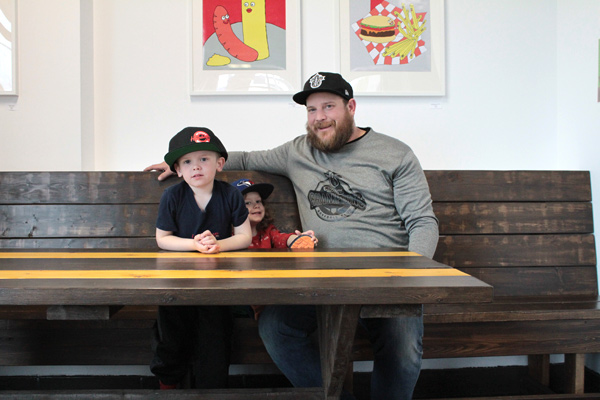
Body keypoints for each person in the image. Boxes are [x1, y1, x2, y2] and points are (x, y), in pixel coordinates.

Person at [145, 72, 439, 400]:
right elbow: (242, 158)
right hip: (322, 279)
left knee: (402, 347)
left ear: (351, 106)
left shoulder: (395, 153)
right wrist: (182, 163)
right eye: (311, 110)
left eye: (329, 106)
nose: (320, 117)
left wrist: (412, 277)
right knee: (275, 328)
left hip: (387, 275)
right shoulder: (296, 152)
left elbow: (423, 222)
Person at [150, 126, 252, 390]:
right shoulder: (172, 196)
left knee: (216, 335)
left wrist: (219, 245)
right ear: (178, 170)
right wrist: (193, 244)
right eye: (187, 162)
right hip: (176, 281)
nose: (196, 167)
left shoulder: (229, 194)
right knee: (171, 328)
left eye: (204, 159)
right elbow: (163, 239)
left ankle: (212, 387)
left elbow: (244, 237)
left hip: (217, 281)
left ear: (219, 164)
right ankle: (168, 381)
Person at [231, 178, 318, 250]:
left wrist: (299, 239)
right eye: (248, 203)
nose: (256, 205)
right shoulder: (229, 235)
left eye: (258, 201)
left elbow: (282, 238)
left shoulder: (268, 232)